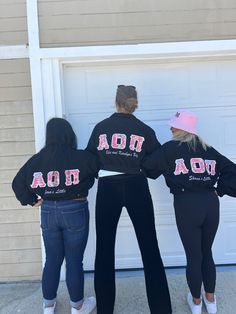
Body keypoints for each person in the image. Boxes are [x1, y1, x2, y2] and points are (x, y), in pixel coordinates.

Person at [86, 85, 172, 314]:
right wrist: (142, 167)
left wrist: (103, 169)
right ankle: (162, 310)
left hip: (108, 188)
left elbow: (90, 160)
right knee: (150, 248)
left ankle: (105, 310)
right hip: (136, 186)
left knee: (104, 249)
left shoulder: (101, 128)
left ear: (116, 102)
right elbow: (158, 162)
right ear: (134, 103)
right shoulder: (143, 129)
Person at [142, 110, 236, 314]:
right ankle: (210, 302)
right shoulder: (208, 150)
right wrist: (219, 189)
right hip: (210, 204)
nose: (170, 128)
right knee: (206, 252)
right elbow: (233, 172)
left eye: (174, 125)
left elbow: (147, 167)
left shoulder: (169, 149)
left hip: (186, 204)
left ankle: (195, 303)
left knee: (194, 256)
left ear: (181, 129)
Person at [12, 118, 98, 314]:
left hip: (48, 210)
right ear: (69, 135)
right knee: (74, 260)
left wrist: (32, 200)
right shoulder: (82, 157)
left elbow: (17, 184)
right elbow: (99, 169)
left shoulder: (37, 160)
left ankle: (48, 306)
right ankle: (77, 307)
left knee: (52, 259)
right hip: (75, 209)